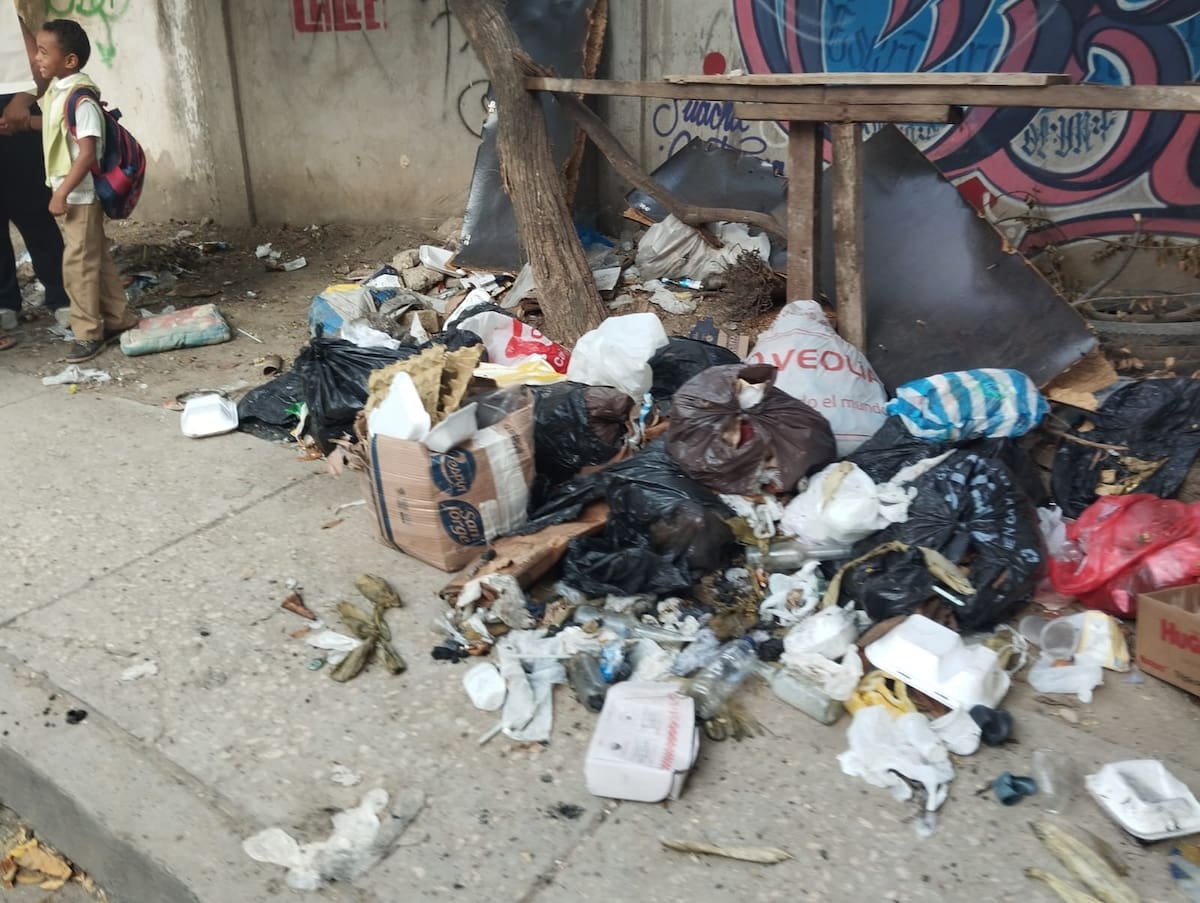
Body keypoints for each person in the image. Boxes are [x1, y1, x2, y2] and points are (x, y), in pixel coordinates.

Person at [33, 18, 136, 364]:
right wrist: (20, 123)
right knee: (96, 258)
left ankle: (88, 333)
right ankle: (119, 319)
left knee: (77, 266)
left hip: (81, 196)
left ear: (70, 60)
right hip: (73, 196)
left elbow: (87, 152)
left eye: (44, 51)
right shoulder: (58, 92)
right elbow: (51, 122)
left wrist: (60, 194)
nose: (37, 57)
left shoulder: (82, 100)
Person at [0, 7, 70, 352]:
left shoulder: (4, 16)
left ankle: (60, 297)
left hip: (12, 115)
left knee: (34, 211)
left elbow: (39, 66)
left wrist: (22, 103)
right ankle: (5, 304)